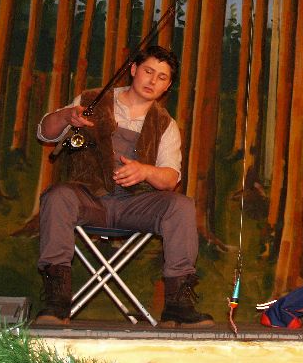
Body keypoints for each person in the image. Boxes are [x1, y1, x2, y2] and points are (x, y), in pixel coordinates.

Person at [35, 45, 213, 328]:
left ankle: (178, 305)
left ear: (168, 86)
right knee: (57, 196)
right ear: (133, 69)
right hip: (87, 198)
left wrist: (145, 171)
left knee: (180, 205)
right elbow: (45, 133)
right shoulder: (92, 100)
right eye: (148, 71)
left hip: (135, 205)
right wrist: (67, 116)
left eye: (162, 77)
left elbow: (171, 178)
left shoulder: (166, 124)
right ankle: (56, 302)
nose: (152, 81)